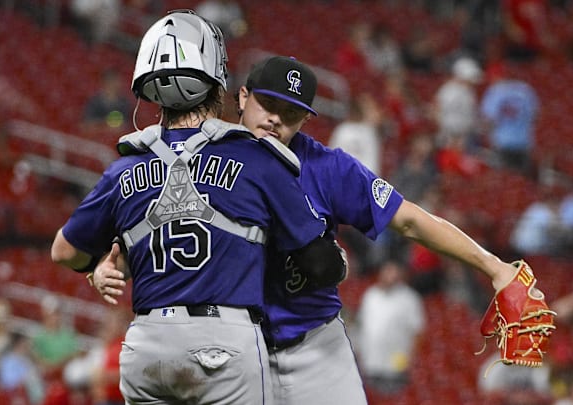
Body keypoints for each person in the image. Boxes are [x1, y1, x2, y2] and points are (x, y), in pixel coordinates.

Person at [93, 54, 527, 405]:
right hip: (230, 356)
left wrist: (492, 266)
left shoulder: (328, 168)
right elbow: (155, 233)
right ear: (241, 97)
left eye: (292, 113)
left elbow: (410, 219)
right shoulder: (193, 160)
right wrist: (108, 263)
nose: (276, 120)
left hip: (313, 347)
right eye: (268, 105)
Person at [51, 12, 344, 405]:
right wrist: (337, 261)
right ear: (217, 82)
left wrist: (97, 268)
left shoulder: (122, 169)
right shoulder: (255, 157)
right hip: (222, 343)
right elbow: (319, 265)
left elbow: (64, 251)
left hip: (147, 346)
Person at [355, 260, 426, 396]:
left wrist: (409, 359)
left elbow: (418, 331)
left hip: (396, 364)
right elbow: (362, 327)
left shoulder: (409, 298)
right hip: (371, 363)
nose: (390, 276)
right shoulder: (370, 295)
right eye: (387, 271)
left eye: (393, 272)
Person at [479, 62, 540, 175]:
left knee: (505, 180)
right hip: (524, 142)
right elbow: (536, 116)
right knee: (522, 180)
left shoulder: (494, 91)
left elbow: (489, 120)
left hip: (503, 142)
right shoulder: (525, 89)